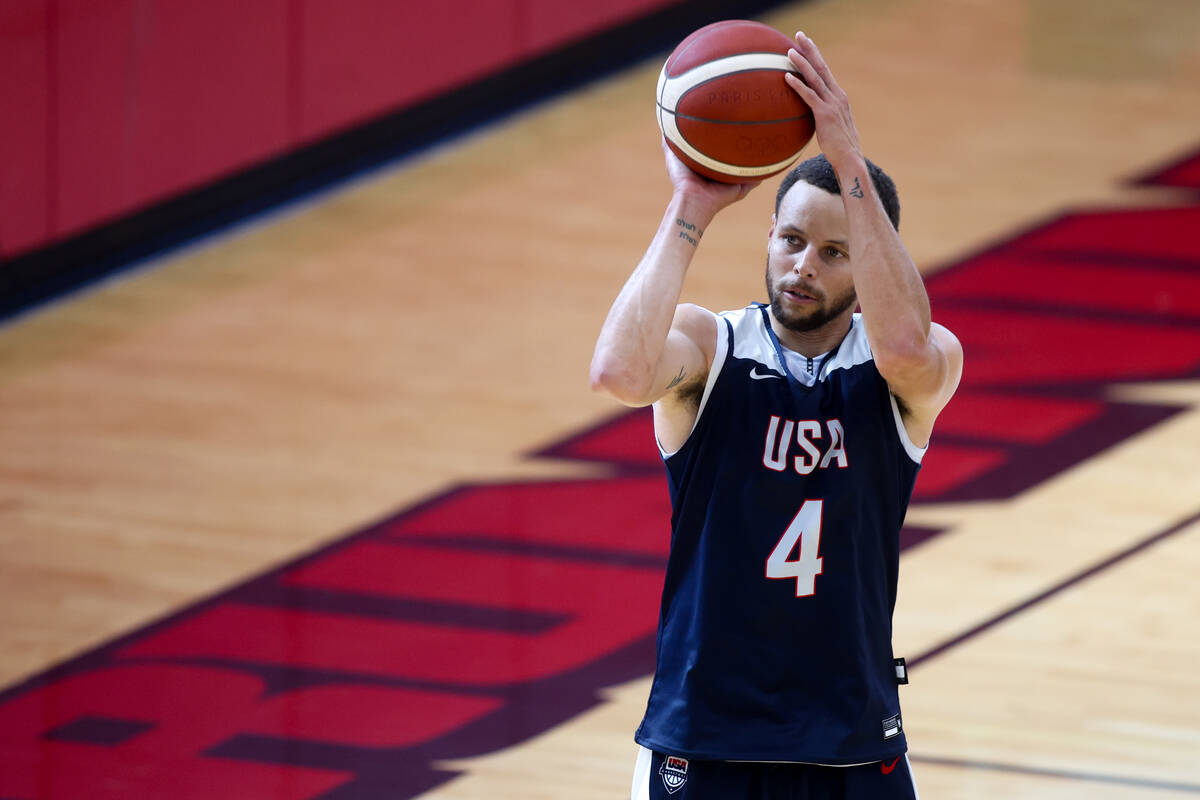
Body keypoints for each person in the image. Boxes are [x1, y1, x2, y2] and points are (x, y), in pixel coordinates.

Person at [590, 31, 963, 800]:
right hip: (706, 735)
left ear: (867, 259)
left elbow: (903, 343)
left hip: (850, 736)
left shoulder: (916, 367)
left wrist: (847, 157)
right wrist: (691, 203)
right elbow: (619, 372)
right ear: (769, 236)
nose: (802, 265)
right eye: (792, 240)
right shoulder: (711, 345)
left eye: (834, 252)